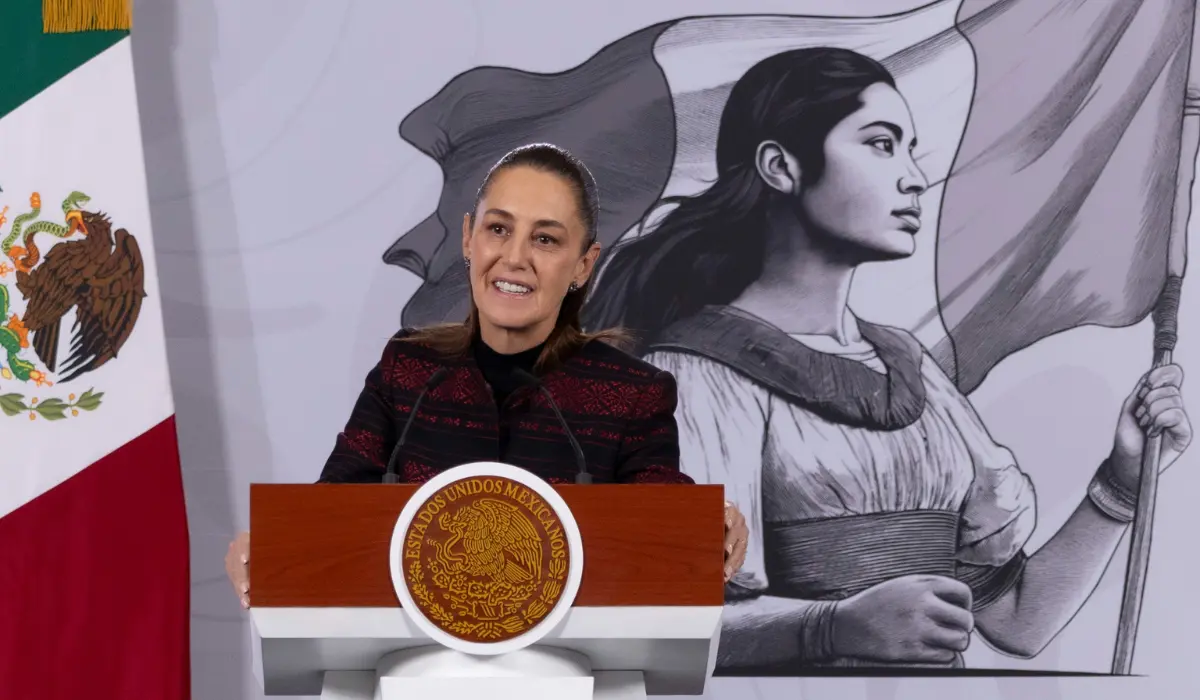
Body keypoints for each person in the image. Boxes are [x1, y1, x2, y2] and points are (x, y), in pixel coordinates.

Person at [584, 48, 1192, 670]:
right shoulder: (688, 376)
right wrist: (831, 628)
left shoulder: (914, 371)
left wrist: (1121, 480)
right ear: (779, 167)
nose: (913, 177)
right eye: (881, 143)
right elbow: (649, 637)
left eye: (909, 148)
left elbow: (1017, 621)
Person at [225, 143, 750, 607]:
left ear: (584, 266)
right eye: (498, 229)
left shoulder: (633, 394)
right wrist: (273, 544)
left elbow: (662, 528)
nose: (515, 257)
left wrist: (710, 524)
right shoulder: (409, 371)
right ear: (469, 239)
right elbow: (332, 507)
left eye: (545, 240)